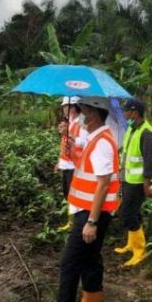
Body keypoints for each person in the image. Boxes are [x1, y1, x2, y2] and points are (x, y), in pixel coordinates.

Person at [35, 97, 120, 302]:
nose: (79, 114)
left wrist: (91, 222)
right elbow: (78, 162)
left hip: (92, 214)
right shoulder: (94, 138)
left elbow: (103, 184)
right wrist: (67, 142)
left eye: (82, 110)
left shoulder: (103, 142)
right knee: (90, 257)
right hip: (87, 209)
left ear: (93, 114)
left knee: (70, 263)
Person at [114, 98, 152, 267]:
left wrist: (147, 184)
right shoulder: (133, 128)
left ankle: (140, 251)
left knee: (127, 214)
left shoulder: (147, 133)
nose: (123, 113)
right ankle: (131, 244)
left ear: (134, 112)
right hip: (128, 179)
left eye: (125, 110)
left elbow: (150, 161)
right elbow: (127, 153)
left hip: (139, 182)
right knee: (132, 212)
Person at [56, 96, 83, 231]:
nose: (64, 109)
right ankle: (71, 222)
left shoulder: (81, 123)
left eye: (66, 106)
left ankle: (75, 223)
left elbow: (80, 144)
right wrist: (59, 162)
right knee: (67, 194)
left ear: (74, 107)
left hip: (75, 165)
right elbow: (64, 145)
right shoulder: (69, 122)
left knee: (73, 195)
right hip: (66, 164)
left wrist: (68, 135)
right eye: (64, 107)